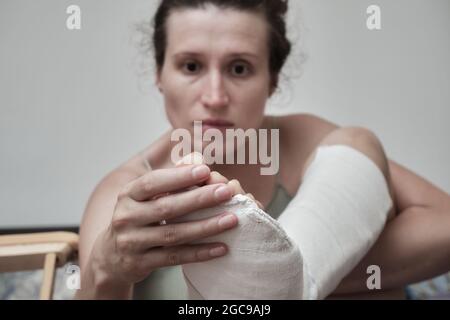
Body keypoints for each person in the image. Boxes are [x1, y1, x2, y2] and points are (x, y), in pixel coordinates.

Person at [75, 0, 450, 300]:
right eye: (191, 66)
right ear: (159, 74)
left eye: (239, 69)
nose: (215, 97)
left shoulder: (305, 141)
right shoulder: (127, 197)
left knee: (357, 143)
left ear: (271, 81)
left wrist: (281, 280)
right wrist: (108, 269)